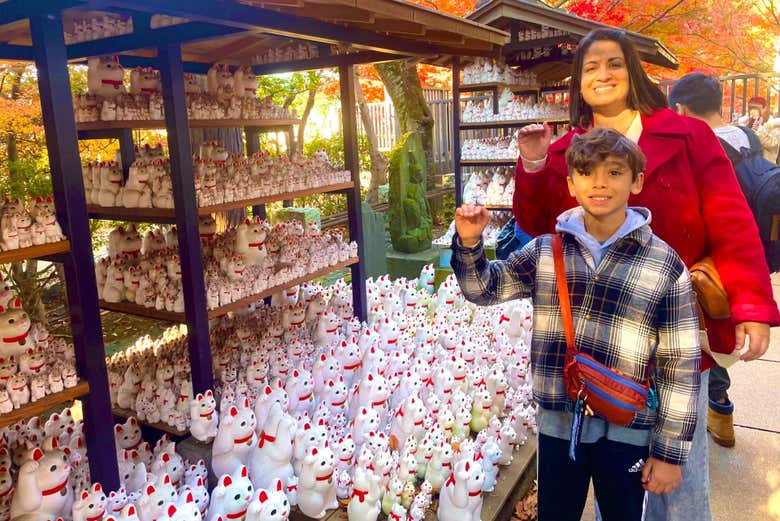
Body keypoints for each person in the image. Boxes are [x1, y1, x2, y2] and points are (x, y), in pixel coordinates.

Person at [512, 28, 780, 521]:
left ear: (632, 72)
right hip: (603, 337)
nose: (603, 75)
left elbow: (731, 219)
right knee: (615, 468)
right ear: (579, 83)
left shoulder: (688, 135)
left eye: (613, 63)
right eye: (590, 67)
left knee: (678, 466)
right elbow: (536, 225)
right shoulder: (567, 149)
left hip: (674, 328)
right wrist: (532, 166)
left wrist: (751, 305)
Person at [451, 128, 701, 521]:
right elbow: (484, 289)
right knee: (557, 512)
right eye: (586, 172)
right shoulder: (545, 252)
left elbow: (680, 363)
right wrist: (469, 243)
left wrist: (669, 452)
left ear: (637, 181)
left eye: (615, 172)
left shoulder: (663, 265)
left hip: (627, 425)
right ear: (570, 182)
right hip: (558, 421)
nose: (600, 182)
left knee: (621, 513)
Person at [668, 72, 775, 448]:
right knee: (723, 332)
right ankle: (723, 413)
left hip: (712, 260)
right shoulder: (747, 137)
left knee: (707, 336)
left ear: (681, 108)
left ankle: (714, 411)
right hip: (750, 253)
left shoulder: (699, 144)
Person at [738, 96, 780, 163]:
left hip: (765, 165)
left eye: (757, 108)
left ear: (765, 109)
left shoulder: (773, 124)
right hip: (748, 165)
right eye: (751, 108)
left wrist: (759, 130)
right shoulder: (746, 122)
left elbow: (773, 145)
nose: (753, 111)